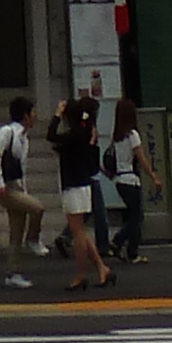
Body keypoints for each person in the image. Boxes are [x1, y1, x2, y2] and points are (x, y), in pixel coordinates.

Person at [50, 89, 111, 294]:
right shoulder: (83, 133)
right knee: (81, 232)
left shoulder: (75, 134)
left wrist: (57, 114)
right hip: (81, 184)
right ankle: (102, 268)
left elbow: (51, 135)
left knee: (77, 233)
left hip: (74, 185)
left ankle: (81, 274)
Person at [0, 95, 43, 286]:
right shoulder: (7, 132)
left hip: (16, 187)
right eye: (32, 112)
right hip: (5, 188)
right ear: (25, 115)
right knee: (37, 208)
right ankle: (33, 240)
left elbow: (22, 170)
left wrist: (24, 189)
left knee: (15, 231)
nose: (35, 116)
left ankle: (13, 273)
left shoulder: (24, 139)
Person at [105, 95, 150, 264]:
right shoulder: (133, 135)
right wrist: (153, 176)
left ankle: (133, 252)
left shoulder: (116, 137)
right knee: (136, 218)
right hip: (131, 180)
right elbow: (141, 158)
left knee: (132, 216)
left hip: (119, 181)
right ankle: (117, 241)